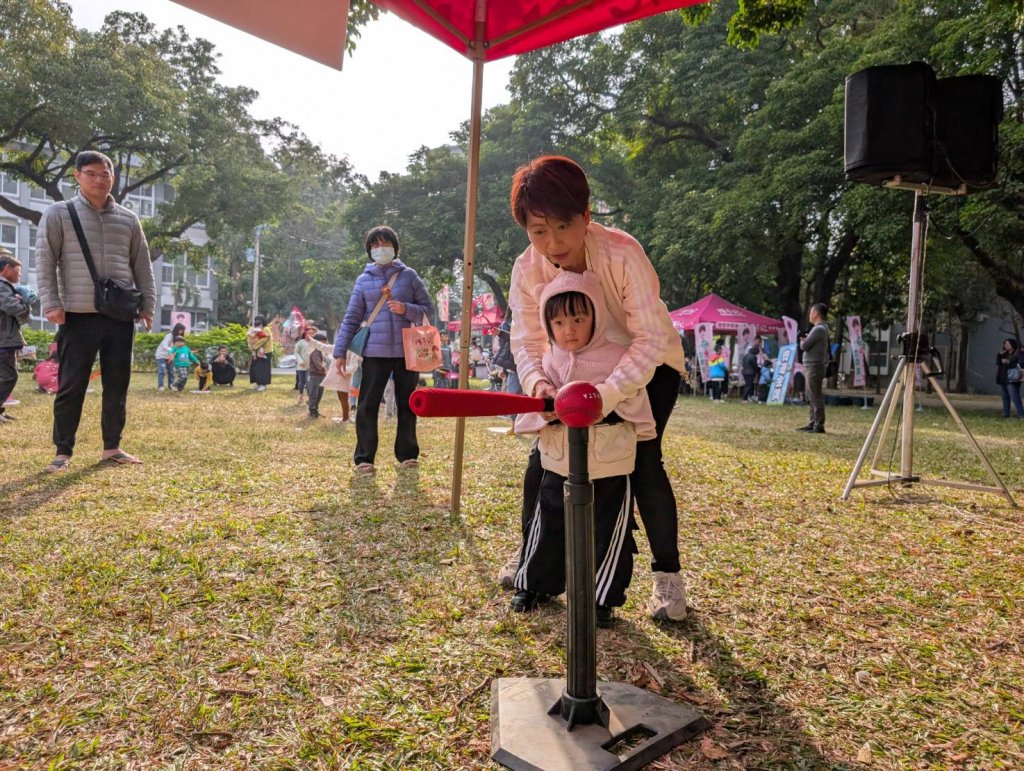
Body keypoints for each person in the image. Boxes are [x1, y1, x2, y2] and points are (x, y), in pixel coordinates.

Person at [506, 155, 688, 621]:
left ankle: (668, 581)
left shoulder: (623, 253)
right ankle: (533, 562)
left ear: (587, 216)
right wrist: (540, 386)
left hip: (645, 365)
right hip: (566, 368)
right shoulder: (526, 269)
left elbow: (647, 339)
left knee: (641, 463)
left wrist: (607, 395)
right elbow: (526, 341)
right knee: (544, 461)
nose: (553, 242)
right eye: (538, 230)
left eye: (564, 225)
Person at [510, 270, 654, 628]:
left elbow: (632, 400)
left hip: (609, 460)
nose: (569, 329)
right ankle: (534, 584)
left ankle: (601, 597)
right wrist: (546, 400)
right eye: (558, 321)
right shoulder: (549, 361)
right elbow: (538, 405)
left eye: (578, 318)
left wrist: (600, 403)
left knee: (607, 528)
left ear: (596, 316)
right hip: (558, 458)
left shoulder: (618, 357)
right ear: (548, 323)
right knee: (547, 521)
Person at [36, 150, 156, 471]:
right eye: (91, 173)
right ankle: (63, 451)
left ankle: (112, 447)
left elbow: (142, 266)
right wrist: (51, 302)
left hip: (119, 315)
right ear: (77, 176)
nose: (100, 179)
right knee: (72, 383)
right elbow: (46, 261)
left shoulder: (128, 219)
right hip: (76, 313)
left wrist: (147, 305)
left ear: (112, 178)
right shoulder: (59, 214)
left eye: (105, 174)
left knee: (117, 383)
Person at [332, 226, 433, 474]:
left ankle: (408, 454)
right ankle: (364, 457)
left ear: (395, 247)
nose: (380, 248)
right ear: (369, 250)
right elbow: (351, 318)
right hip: (374, 353)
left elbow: (428, 309)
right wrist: (340, 352)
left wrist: (406, 309)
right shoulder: (363, 280)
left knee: (407, 404)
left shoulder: (409, 276)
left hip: (406, 352)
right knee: (367, 405)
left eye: (385, 243)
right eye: (374, 244)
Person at [0, 249, 31, 423]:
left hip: (5, 339)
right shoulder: (2, 287)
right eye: (17, 270)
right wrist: (24, 302)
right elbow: (14, 308)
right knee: (9, 376)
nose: (19, 274)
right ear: (6, 269)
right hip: (3, 340)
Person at [797, 303, 829, 433]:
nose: (809, 314)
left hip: (814, 365)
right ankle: (812, 422)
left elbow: (804, 346)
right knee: (810, 395)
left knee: (815, 395)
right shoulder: (819, 329)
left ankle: (819, 424)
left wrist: (802, 341)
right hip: (811, 365)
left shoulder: (819, 329)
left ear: (816, 313)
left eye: (811, 312)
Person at [996, 338, 1024, 418]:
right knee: (1005, 397)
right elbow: (998, 362)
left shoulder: (1017, 353)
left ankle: (1021, 414)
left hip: (1012, 378)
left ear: (1012, 344)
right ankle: (1006, 413)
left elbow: (1020, 362)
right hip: (1003, 377)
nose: (1006, 346)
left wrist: (1008, 361)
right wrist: (999, 354)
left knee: (1015, 397)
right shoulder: (1004, 353)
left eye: (1008, 344)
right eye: (1005, 344)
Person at [155, 322, 186, 391]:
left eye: (182, 330)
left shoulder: (179, 338)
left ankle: (171, 386)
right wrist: (172, 350)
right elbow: (164, 345)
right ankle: (160, 386)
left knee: (171, 372)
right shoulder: (169, 336)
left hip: (171, 356)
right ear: (176, 329)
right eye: (180, 330)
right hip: (161, 355)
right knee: (162, 371)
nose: (181, 332)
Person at [247, 315, 273, 391]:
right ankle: (257, 383)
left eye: (259, 321)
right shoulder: (253, 329)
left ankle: (263, 384)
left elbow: (264, 339)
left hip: (265, 352)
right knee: (255, 368)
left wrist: (254, 346)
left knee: (263, 369)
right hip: (256, 352)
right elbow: (249, 337)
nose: (257, 322)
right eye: (255, 320)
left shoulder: (266, 329)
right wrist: (250, 345)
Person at [306, 332, 328, 418]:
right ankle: (312, 411)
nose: (324, 345)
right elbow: (318, 364)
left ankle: (316, 410)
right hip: (314, 375)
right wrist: (325, 370)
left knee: (319, 394)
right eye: (323, 343)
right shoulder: (314, 350)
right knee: (313, 394)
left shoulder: (321, 351)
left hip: (321, 375)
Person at [294, 326, 312, 405]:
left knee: (309, 382)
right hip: (301, 366)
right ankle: (300, 396)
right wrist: (300, 360)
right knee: (301, 382)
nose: (310, 335)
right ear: (305, 334)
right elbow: (296, 352)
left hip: (311, 366)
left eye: (312, 333)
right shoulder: (301, 342)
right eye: (309, 333)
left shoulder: (315, 343)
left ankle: (309, 398)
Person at [741, 336, 762, 402]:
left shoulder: (746, 356)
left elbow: (743, 364)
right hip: (750, 372)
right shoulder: (753, 357)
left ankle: (746, 397)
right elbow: (755, 366)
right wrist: (757, 371)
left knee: (747, 385)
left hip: (744, 371)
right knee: (749, 386)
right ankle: (744, 399)